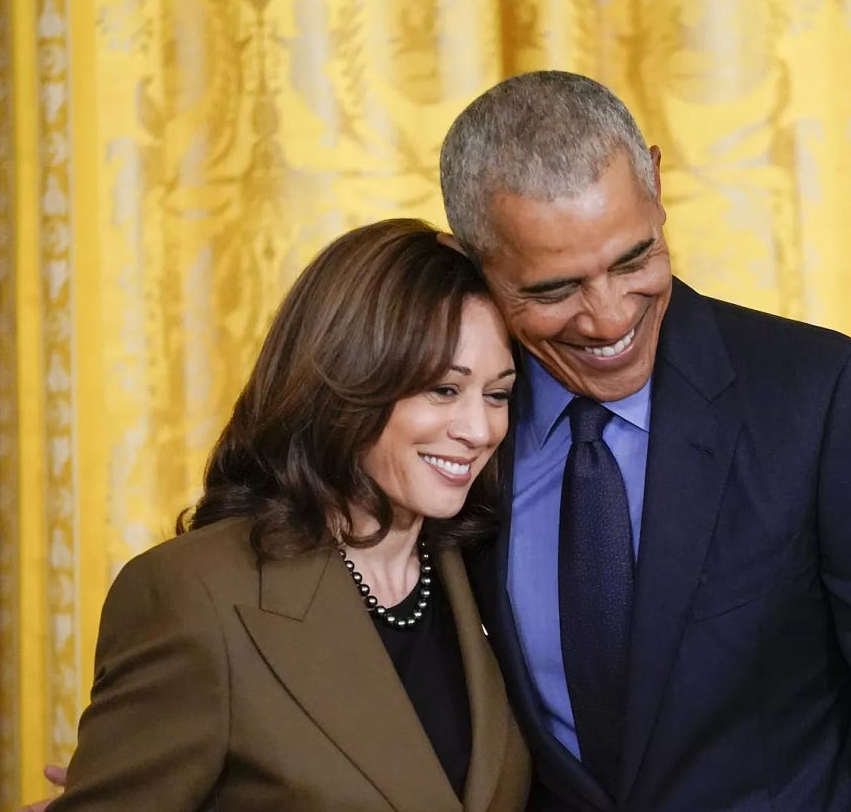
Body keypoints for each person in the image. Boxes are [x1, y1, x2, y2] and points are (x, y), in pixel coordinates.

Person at [436, 71, 851, 811]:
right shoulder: (452, 435)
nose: (610, 316)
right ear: (473, 260)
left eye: (634, 258)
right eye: (555, 289)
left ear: (655, 180)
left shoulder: (828, 401)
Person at [31, 219, 531, 811]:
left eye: (497, 395)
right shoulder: (194, 596)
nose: (478, 430)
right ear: (349, 381)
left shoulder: (495, 572)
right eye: (444, 390)